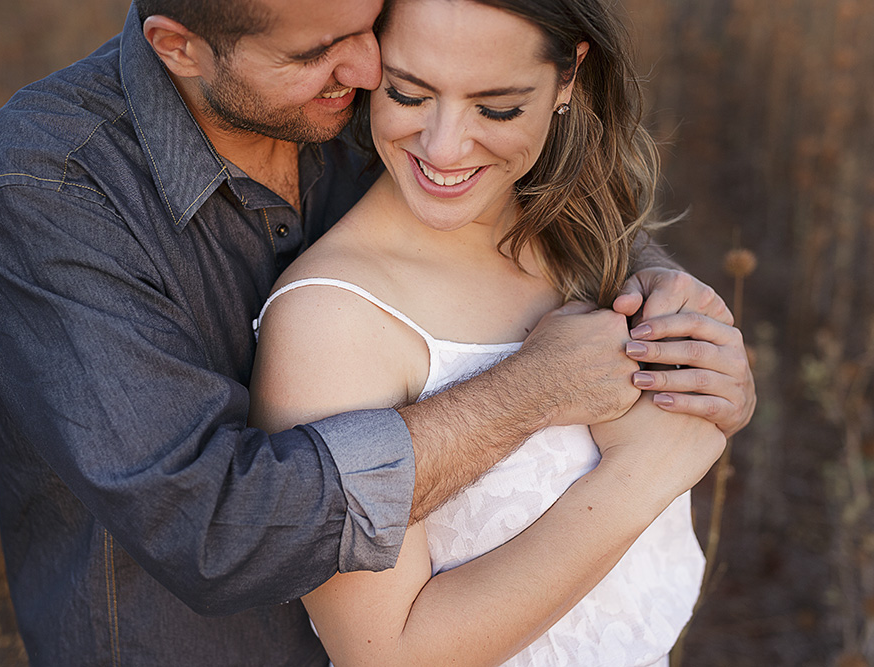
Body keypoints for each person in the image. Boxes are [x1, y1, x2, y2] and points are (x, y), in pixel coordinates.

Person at [0, 0, 754, 664]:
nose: (370, 71)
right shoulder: (45, 194)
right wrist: (539, 399)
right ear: (181, 49)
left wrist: (681, 315)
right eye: (319, 52)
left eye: (368, 27)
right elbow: (212, 526)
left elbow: (523, 174)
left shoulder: (362, 102)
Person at [248, 0, 743, 665]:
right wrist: (643, 475)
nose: (443, 147)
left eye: (499, 108)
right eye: (407, 93)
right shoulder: (332, 320)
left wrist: (713, 380)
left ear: (569, 77)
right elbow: (386, 653)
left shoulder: (575, 232)